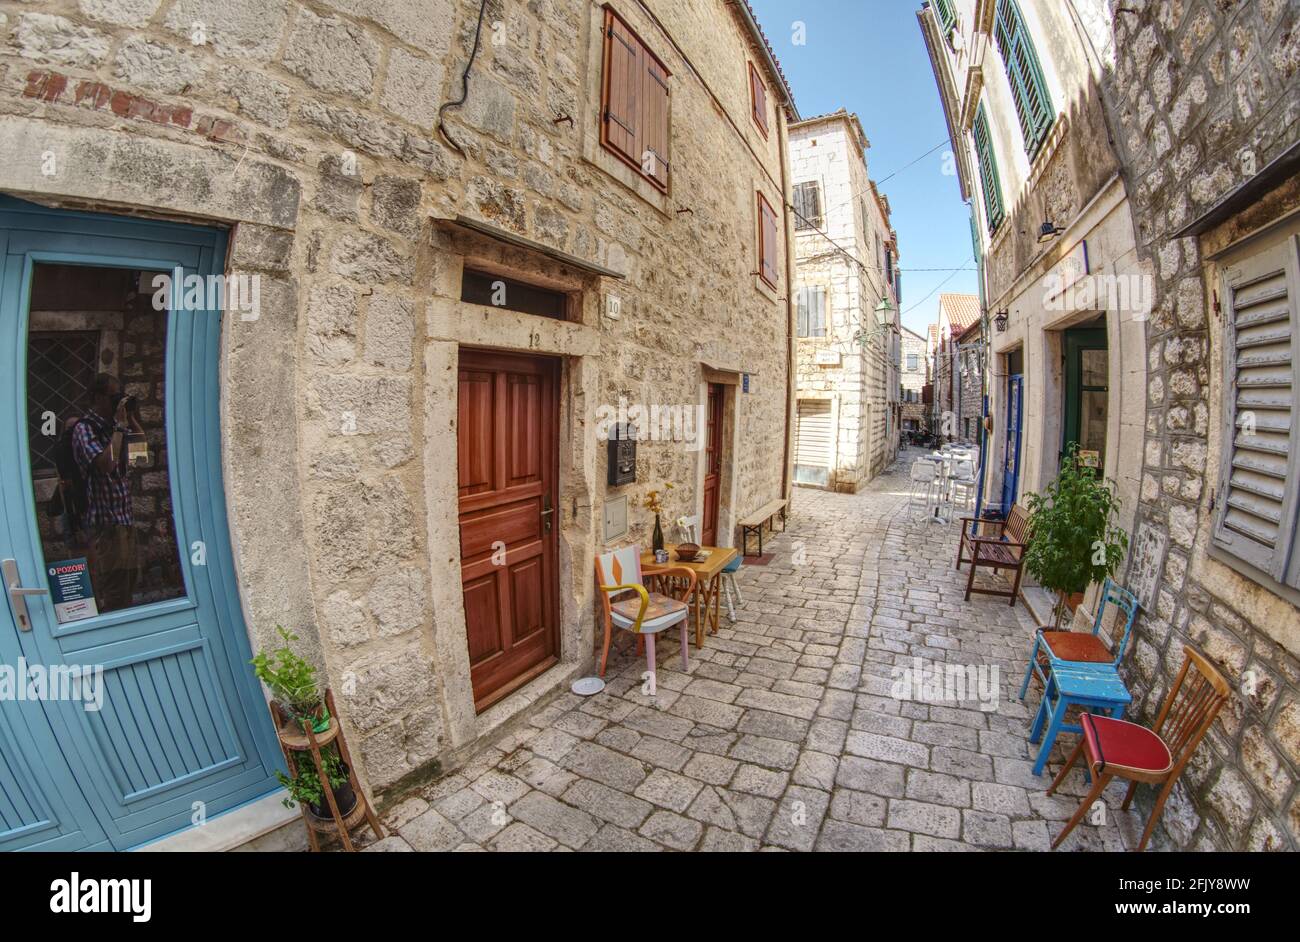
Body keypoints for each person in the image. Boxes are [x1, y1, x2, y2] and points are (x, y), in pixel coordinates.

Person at [72, 374, 142, 612]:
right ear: (98, 397)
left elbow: (139, 457)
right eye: (114, 397)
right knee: (113, 591)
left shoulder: (115, 428)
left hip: (125, 520)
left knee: (129, 585)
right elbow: (106, 465)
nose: (117, 401)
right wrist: (120, 428)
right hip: (106, 526)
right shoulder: (84, 429)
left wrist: (130, 419)